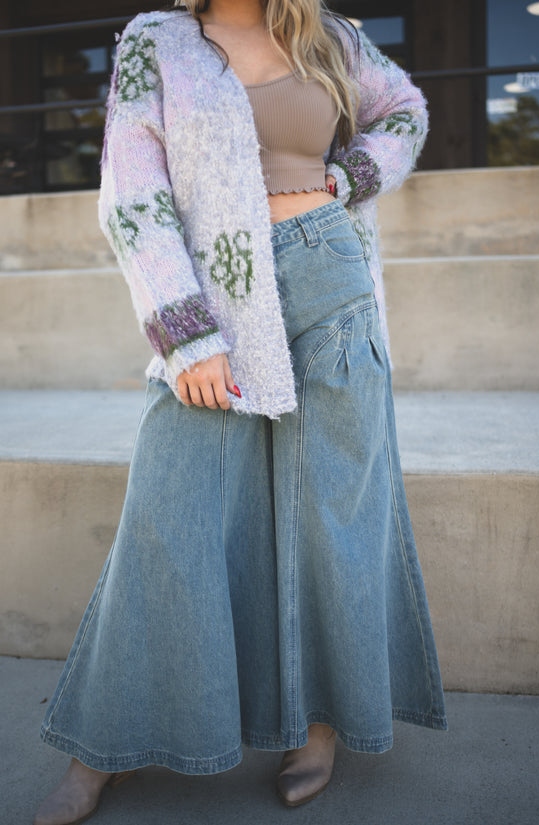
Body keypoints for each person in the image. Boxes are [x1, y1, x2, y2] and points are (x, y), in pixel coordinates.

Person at [34, 1, 447, 823]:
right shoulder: (160, 42)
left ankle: (319, 726)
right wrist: (185, 333)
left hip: (333, 285)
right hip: (216, 304)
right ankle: (102, 746)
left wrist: (350, 175)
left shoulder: (331, 35)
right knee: (168, 515)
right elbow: (132, 194)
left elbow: (404, 109)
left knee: (333, 519)